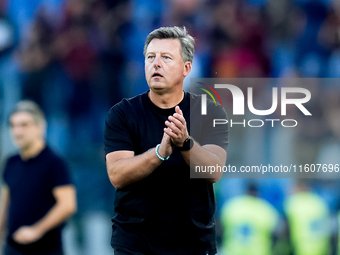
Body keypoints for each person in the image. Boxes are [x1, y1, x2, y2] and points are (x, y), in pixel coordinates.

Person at [104, 26, 229, 255]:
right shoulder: (122, 114)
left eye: (166, 57)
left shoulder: (210, 112)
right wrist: (159, 153)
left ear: (186, 68)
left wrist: (185, 143)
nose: (156, 63)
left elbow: (214, 170)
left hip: (193, 242)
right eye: (150, 57)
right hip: (135, 243)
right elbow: (117, 175)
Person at [0, 100, 77, 255]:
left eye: (24, 125)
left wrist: (36, 230)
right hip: (13, 248)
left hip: (46, 249)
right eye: (13, 125)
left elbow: (68, 205)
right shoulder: (11, 162)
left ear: (40, 128)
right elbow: (6, 203)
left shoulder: (54, 162)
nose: (17, 131)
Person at [220, 183, 279, 255]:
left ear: (245, 190)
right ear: (258, 192)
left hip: (232, 252)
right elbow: (275, 235)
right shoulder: (266, 209)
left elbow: (221, 229)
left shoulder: (231, 206)